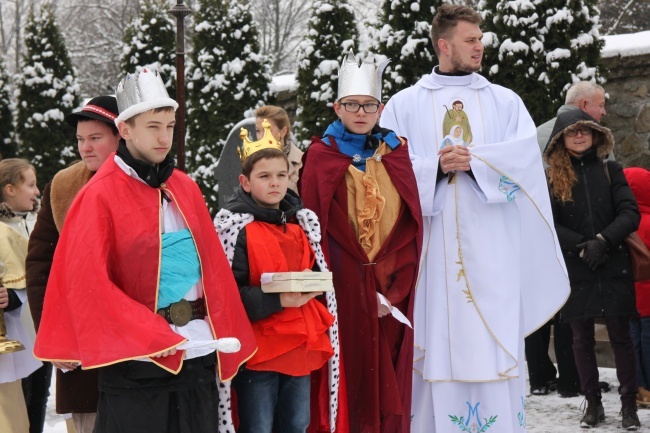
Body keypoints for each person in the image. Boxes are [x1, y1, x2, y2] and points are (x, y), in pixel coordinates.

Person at [32, 68, 256, 433]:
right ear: (125, 130)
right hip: (134, 363)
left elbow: (212, 269)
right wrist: (151, 333)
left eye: (169, 126)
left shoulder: (185, 186)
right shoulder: (98, 195)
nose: (164, 136)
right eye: (153, 126)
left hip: (195, 353)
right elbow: (89, 284)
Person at [379, 5, 570, 432]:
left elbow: (524, 163)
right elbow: (385, 170)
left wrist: (476, 162)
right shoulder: (404, 105)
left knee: (490, 341)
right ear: (444, 45)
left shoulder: (504, 102)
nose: (479, 46)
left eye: (480, 38)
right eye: (470, 39)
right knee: (435, 341)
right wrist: (434, 167)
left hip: (492, 250)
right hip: (432, 252)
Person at [300, 50, 423, 433]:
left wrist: (393, 277)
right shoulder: (321, 155)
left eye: (368, 105)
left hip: (393, 279)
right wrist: (348, 279)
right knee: (351, 366)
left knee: (389, 361)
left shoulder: (395, 152)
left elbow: (409, 219)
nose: (360, 112)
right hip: (344, 278)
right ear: (337, 107)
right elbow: (316, 225)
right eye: (351, 104)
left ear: (380, 107)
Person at [214, 123, 342, 433]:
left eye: (281, 175)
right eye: (264, 176)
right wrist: (276, 298)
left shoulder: (302, 226)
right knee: (258, 426)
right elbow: (227, 296)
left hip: (298, 346)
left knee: (297, 424)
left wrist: (312, 286)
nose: (275, 183)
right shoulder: (235, 230)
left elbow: (313, 276)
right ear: (245, 182)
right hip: (259, 350)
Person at [26, 95, 120, 433]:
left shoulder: (153, 183)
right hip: (84, 355)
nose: (85, 148)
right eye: (80, 139)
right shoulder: (63, 187)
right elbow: (40, 267)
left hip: (144, 355)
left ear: (121, 136)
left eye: (95, 138)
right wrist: (52, 335)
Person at [544, 109, 640, 429]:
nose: (580, 135)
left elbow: (629, 213)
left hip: (613, 264)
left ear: (595, 134)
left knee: (621, 338)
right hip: (577, 267)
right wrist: (582, 246)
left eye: (585, 130)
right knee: (580, 339)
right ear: (561, 140)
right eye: (572, 132)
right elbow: (548, 224)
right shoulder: (552, 179)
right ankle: (593, 405)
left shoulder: (611, 169)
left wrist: (602, 241)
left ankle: (629, 408)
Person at [0, 158, 43, 433]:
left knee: (39, 396)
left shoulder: (40, 222)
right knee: (14, 403)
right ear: (10, 189)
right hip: (14, 336)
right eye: (31, 184)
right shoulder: (2, 231)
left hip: (42, 327)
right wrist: (11, 298)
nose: (37, 192)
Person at [625, 167, 650, 407]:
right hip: (649, 294)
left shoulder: (624, 222)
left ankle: (637, 386)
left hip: (629, 294)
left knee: (633, 339)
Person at [537, 81, 607, 153]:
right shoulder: (597, 138)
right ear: (584, 104)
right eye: (601, 106)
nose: (604, 112)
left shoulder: (537, 134)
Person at [254, 105, 303, 193]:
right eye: (258, 131)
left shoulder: (303, 163)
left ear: (283, 131)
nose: (261, 137)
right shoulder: (252, 163)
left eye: (267, 130)